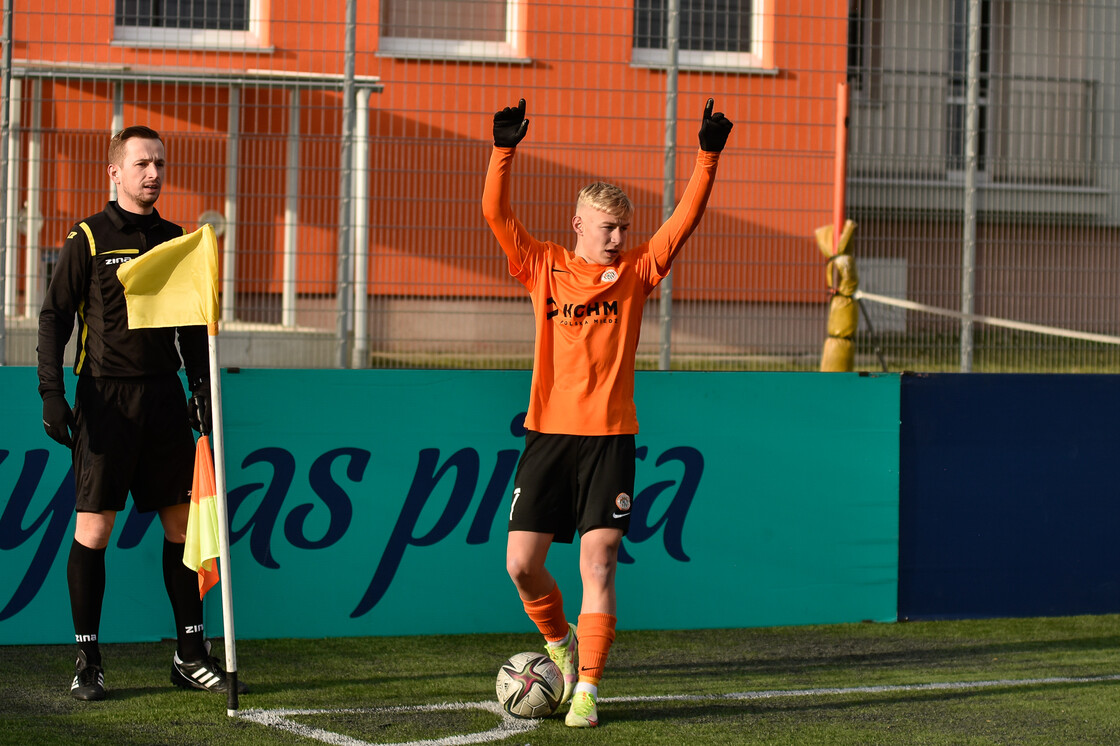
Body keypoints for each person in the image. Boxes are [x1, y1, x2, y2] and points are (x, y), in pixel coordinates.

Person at [482, 98, 732, 727]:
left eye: (624, 228)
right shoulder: (543, 265)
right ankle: (560, 644)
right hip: (548, 436)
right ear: (578, 224)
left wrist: (707, 158)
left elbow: (684, 221)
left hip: (612, 440)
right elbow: (495, 214)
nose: (619, 239)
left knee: (599, 559)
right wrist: (502, 152)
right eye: (608, 228)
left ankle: (588, 687)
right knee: (521, 564)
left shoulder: (638, 272)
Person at [37, 125, 247, 701]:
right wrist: (51, 393)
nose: (152, 173)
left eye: (159, 163)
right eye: (141, 164)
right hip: (104, 402)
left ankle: (189, 653)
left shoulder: (177, 240)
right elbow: (54, 316)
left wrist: (201, 389)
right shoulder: (87, 237)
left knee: (182, 529)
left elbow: (191, 328)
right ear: (115, 173)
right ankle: (88, 660)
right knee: (95, 530)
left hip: (163, 402)